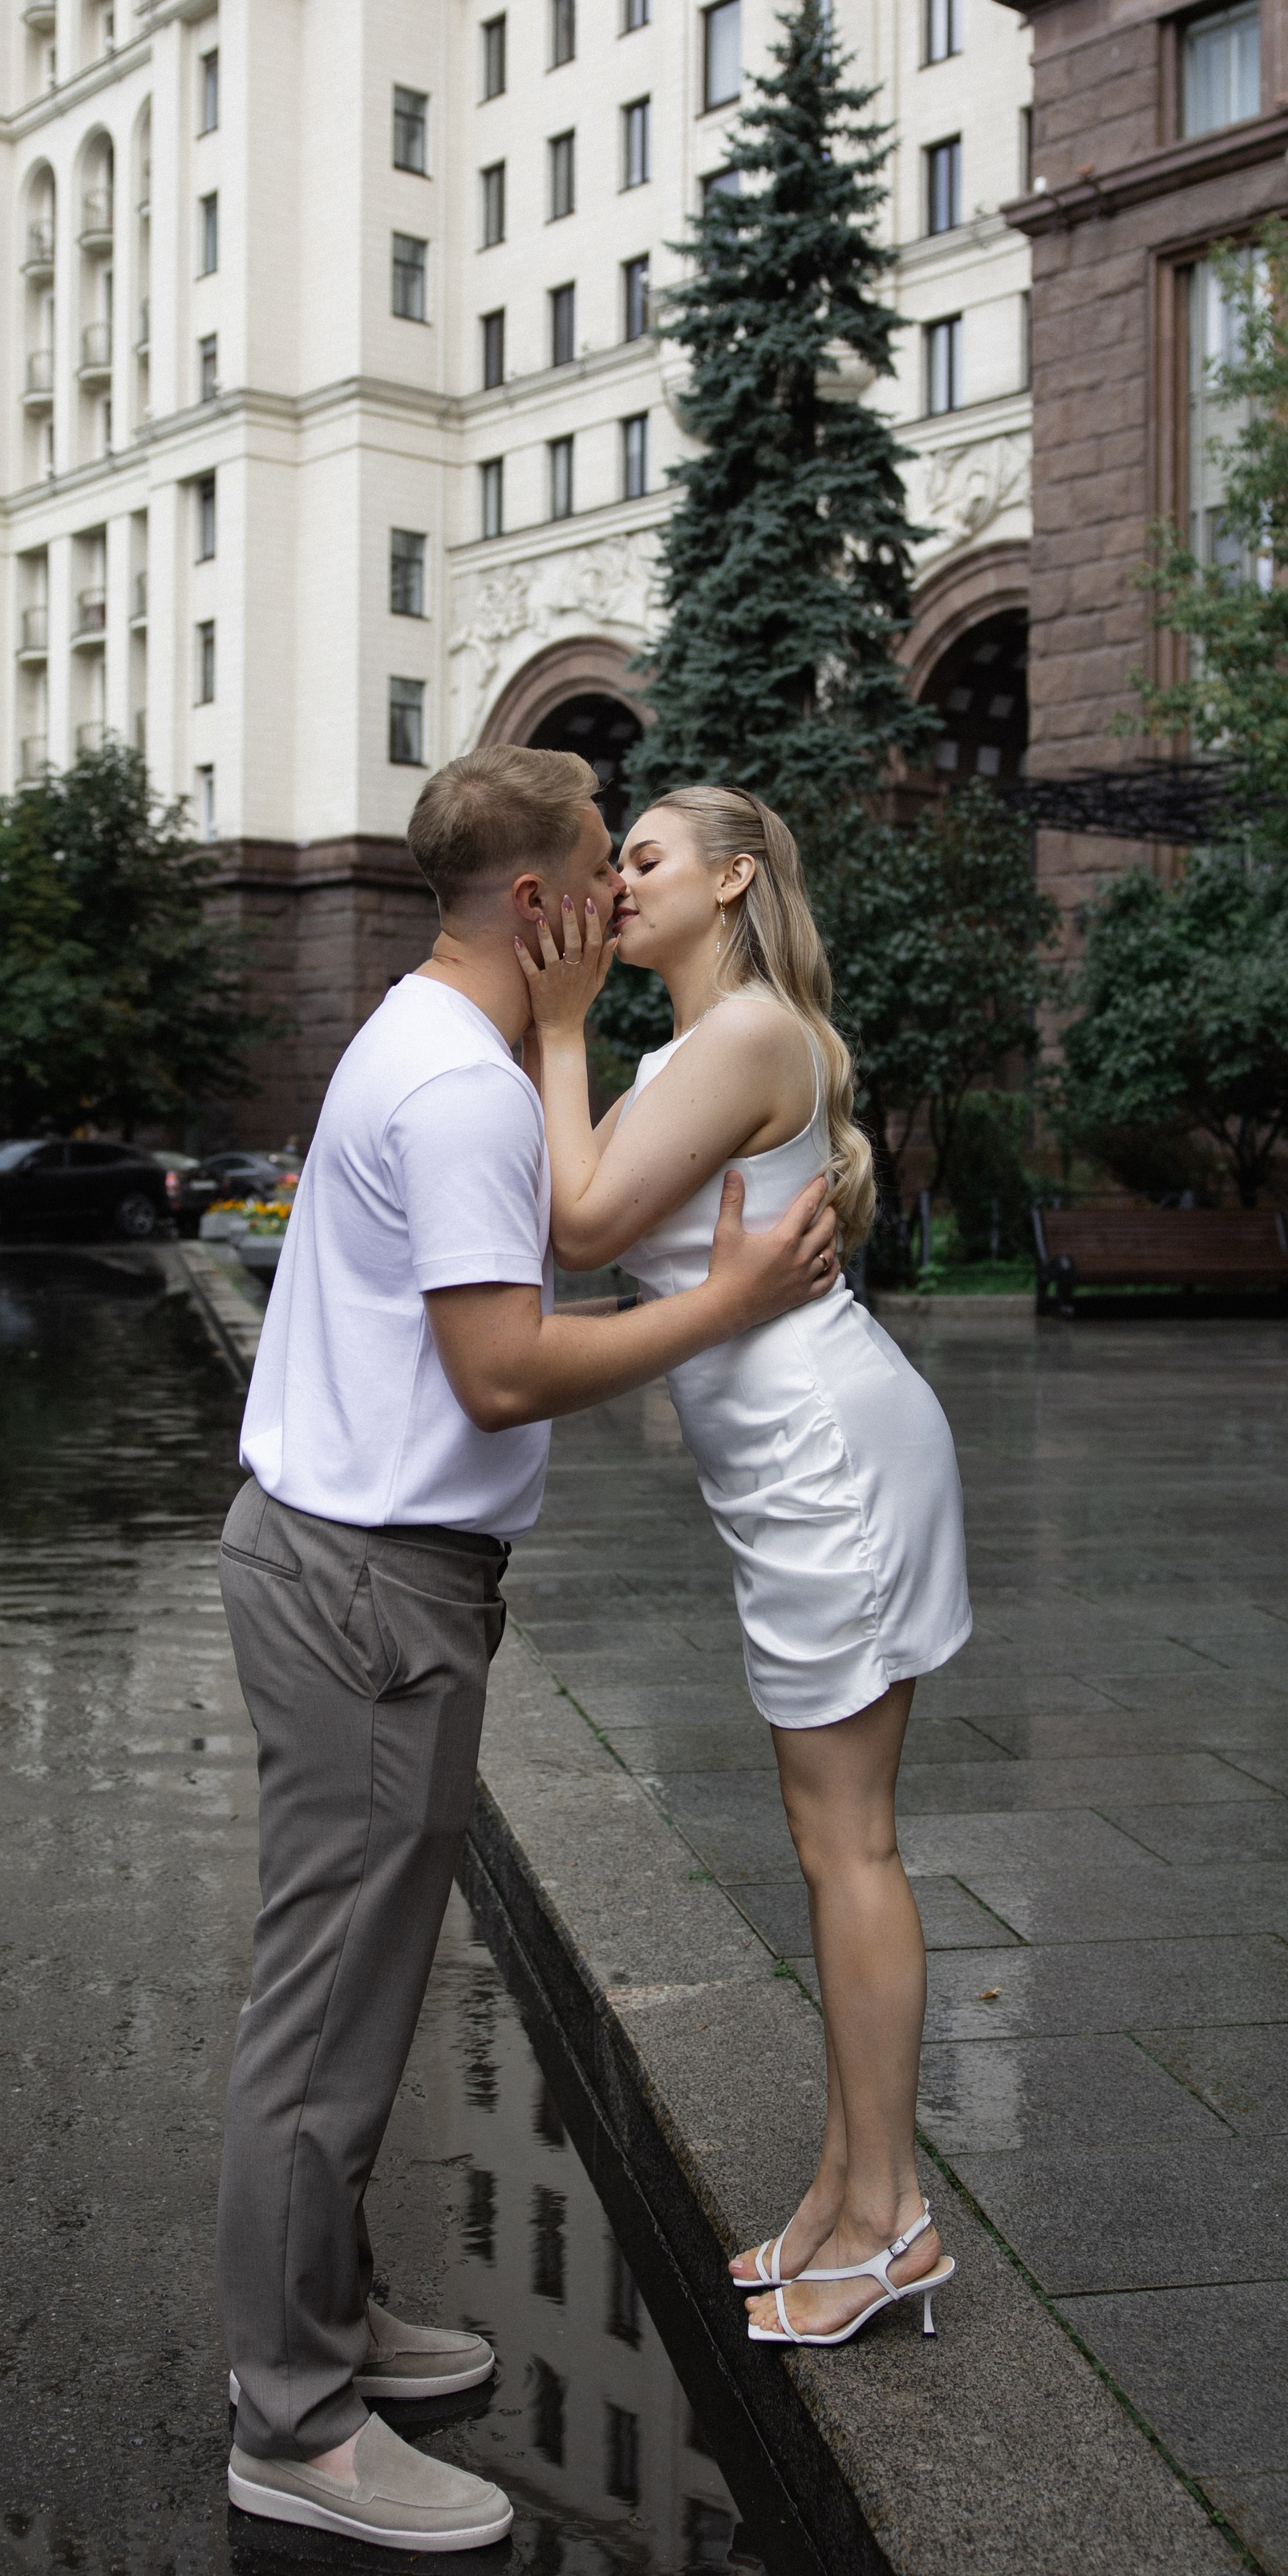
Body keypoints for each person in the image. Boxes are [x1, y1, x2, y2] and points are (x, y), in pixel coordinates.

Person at [217, 745, 840, 2550]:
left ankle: (318, 2324)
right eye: (597, 862)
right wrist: (722, 1304)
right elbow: (500, 1366)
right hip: (367, 1589)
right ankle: (296, 2426)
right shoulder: (465, 1094)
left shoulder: (418, 1036)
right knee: (322, 2025)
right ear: (534, 906)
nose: (616, 893)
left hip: (343, 1563)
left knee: (341, 1999)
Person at [519, 783, 973, 2352]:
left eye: (641, 857)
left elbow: (578, 1224)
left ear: (730, 880)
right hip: (802, 1458)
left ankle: (891, 2220)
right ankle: (844, 2194)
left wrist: (558, 1020)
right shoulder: (708, 1044)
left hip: (825, 1467)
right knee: (825, 1834)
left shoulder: (739, 1039)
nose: (613, 878)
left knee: (848, 1845)